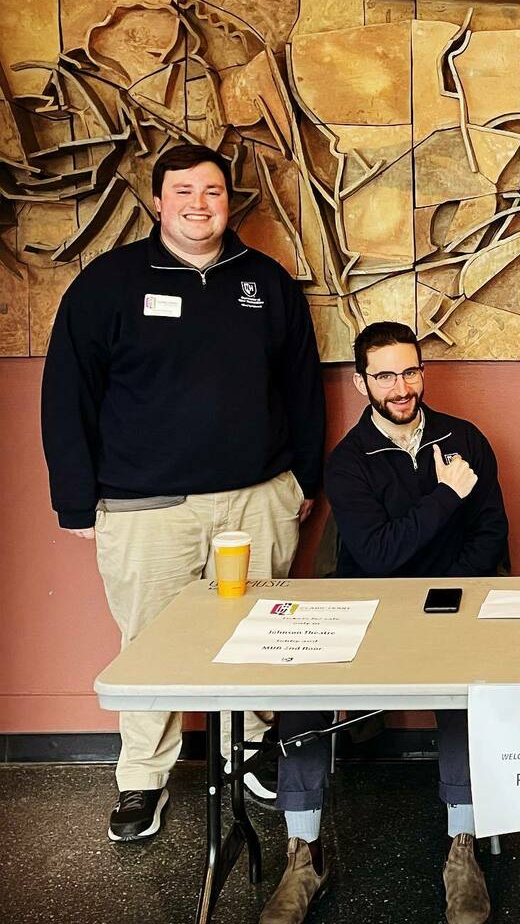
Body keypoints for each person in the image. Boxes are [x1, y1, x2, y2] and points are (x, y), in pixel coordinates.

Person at [40, 144, 326, 899]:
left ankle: (257, 749)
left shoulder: (265, 284)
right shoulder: (108, 285)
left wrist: (305, 478)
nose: (199, 204)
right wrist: (75, 500)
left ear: (231, 202)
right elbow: (66, 395)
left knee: (266, 635)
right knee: (149, 647)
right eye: (183, 192)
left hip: (256, 496)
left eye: (213, 192)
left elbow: (302, 386)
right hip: (146, 507)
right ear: (158, 201)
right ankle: (142, 781)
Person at [323, 320, 509, 924]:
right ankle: (302, 850)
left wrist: (448, 588)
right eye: (384, 375)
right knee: (299, 695)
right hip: (375, 608)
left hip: (454, 600)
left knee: (463, 691)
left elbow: (491, 532)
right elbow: (376, 554)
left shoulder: (464, 439)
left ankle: (463, 846)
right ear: (360, 383)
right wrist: (445, 496)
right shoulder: (349, 462)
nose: (400, 387)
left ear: (422, 373)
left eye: (409, 371)